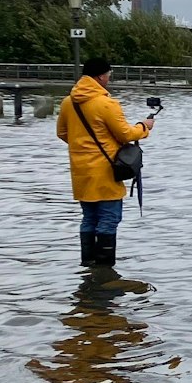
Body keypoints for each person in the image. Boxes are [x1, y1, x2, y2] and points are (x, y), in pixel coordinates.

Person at [56, 57, 155, 270]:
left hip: (81, 171)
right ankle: (104, 268)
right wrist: (144, 126)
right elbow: (125, 133)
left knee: (89, 217)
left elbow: (62, 133)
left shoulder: (68, 102)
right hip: (106, 170)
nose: (109, 80)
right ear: (101, 76)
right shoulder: (106, 103)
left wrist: (84, 146)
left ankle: (88, 264)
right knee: (109, 218)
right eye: (109, 76)